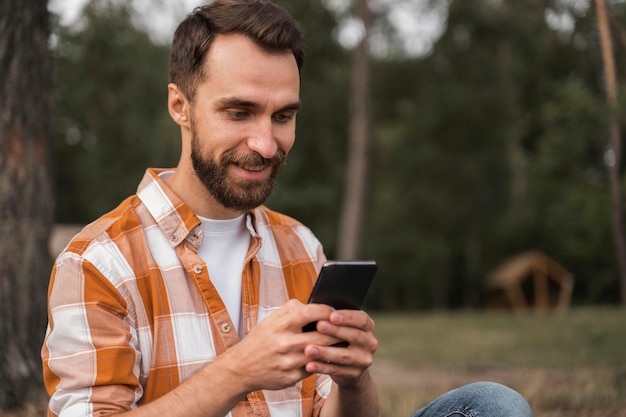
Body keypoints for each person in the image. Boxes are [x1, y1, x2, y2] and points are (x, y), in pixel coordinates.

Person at [41, 1, 533, 417]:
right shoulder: (96, 262)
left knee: (493, 403)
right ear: (180, 106)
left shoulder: (300, 245)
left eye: (284, 116)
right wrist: (238, 371)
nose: (266, 143)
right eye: (239, 112)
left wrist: (354, 380)